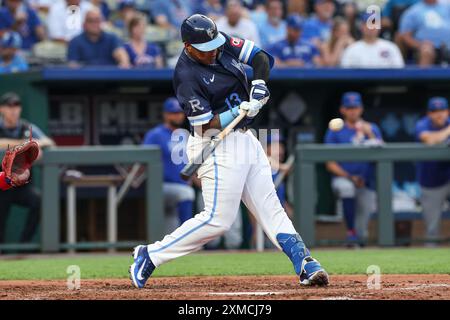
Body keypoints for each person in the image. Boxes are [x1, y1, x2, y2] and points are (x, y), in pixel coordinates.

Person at [129, 14, 328, 289]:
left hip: (245, 138)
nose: (213, 51)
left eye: (215, 44)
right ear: (188, 47)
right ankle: (149, 255)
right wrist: (238, 110)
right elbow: (204, 125)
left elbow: (261, 58)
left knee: (270, 206)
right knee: (218, 220)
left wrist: (258, 85)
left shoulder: (220, 43)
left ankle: (304, 262)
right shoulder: (185, 75)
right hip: (214, 141)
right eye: (205, 48)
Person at [324, 92, 383, 246]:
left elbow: (382, 151)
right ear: (343, 110)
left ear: (361, 109)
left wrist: (368, 132)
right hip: (344, 178)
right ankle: (350, 232)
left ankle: (356, 240)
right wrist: (350, 177)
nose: (353, 111)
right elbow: (330, 163)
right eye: (349, 108)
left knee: (362, 231)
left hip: (367, 181)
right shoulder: (335, 130)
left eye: (355, 107)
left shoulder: (372, 128)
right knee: (346, 188)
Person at [0, 92, 55, 244]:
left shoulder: (26, 127)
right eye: (9, 106)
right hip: (1, 185)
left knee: (40, 201)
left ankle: (24, 244)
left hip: (21, 186)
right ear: (1, 109)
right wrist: (24, 143)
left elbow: (48, 141)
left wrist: (36, 144)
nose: (13, 110)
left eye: (16, 106)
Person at [142, 97, 195, 233]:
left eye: (179, 112)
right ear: (165, 114)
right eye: (173, 113)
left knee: (170, 225)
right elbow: (144, 161)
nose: (178, 116)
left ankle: (173, 246)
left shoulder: (184, 135)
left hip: (179, 185)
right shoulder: (155, 135)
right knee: (187, 194)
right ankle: (187, 237)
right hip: (161, 186)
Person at [415, 97, 450, 244]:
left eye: (441, 110)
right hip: (431, 181)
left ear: (447, 111)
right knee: (432, 229)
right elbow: (429, 140)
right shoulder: (422, 124)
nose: (439, 114)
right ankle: (430, 257)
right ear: (429, 113)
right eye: (435, 111)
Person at [340, 13, 405, 68]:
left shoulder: (391, 47)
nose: (371, 27)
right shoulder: (352, 49)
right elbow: (344, 73)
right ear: (361, 27)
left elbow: (399, 72)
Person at [399, 0, 450, 66]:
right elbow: (405, 36)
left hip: (447, 44)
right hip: (425, 46)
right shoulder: (413, 11)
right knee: (427, 51)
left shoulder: (447, 7)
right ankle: (423, 76)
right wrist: (419, 45)